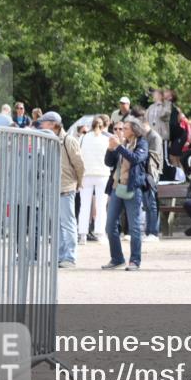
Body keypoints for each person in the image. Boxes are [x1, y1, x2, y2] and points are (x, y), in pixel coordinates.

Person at [37, 111, 84, 269]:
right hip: (53, 188)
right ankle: (60, 256)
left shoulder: (68, 140)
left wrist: (78, 182)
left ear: (52, 124)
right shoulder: (49, 140)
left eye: (44, 123)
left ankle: (69, 257)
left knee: (68, 223)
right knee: (57, 224)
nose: (41, 125)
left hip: (66, 186)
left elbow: (79, 164)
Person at [101, 118, 148, 271]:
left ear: (134, 130)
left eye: (124, 128)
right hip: (116, 187)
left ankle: (135, 260)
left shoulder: (142, 143)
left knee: (134, 227)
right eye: (118, 129)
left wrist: (119, 147)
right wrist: (110, 149)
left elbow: (136, 159)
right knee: (110, 225)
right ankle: (117, 258)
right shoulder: (122, 144)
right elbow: (109, 163)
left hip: (132, 188)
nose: (120, 132)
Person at [130, 105, 163, 243]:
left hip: (151, 172)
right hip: (144, 172)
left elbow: (154, 157)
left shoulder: (154, 137)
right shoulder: (144, 137)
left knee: (151, 203)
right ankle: (149, 231)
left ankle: (153, 232)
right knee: (147, 203)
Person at [78, 114, 110, 246]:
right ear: (103, 126)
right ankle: (100, 233)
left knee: (84, 205)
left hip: (87, 174)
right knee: (101, 206)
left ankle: (82, 235)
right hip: (102, 174)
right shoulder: (106, 139)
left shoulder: (84, 138)